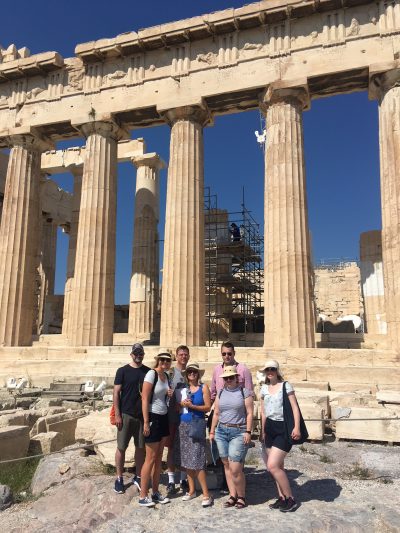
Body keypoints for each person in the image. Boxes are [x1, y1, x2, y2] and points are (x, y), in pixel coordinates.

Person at [210, 341, 254, 493]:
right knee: (222, 457)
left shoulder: (243, 370)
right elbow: (213, 391)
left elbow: (249, 393)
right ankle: (228, 486)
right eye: (224, 353)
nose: (227, 356)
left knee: (235, 460)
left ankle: (239, 487)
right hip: (220, 413)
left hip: (238, 420)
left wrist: (248, 429)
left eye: (229, 353)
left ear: (234, 353)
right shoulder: (216, 370)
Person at [260, 359, 301, 512]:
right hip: (270, 428)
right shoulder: (264, 388)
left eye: (272, 369)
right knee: (279, 466)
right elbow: (263, 412)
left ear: (277, 370)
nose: (270, 372)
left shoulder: (285, 385)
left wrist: (296, 427)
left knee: (272, 466)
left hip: (283, 427)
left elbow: (295, 407)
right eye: (267, 369)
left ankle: (291, 498)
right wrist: (262, 431)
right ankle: (282, 497)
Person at [113, 343, 150, 494]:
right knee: (121, 447)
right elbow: (116, 393)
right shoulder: (122, 371)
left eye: (140, 353)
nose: (138, 355)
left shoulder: (148, 371)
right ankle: (119, 478)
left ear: (143, 354)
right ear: (131, 354)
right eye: (136, 353)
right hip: (126, 414)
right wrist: (117, 414)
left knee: (140, 448)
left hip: (141, 416)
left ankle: (139, 476)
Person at [174, 362, 213, 507]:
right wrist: (181, 405)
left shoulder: (204, 388)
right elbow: (177, 408)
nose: (192, 374)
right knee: (186, 459)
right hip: (183, 425)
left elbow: (208, 407)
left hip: (196, 425)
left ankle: (206, 494)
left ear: (198, 374)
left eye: (194, 372)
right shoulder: (183, 389)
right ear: (186, 374)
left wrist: (193, 406)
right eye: (189, 372)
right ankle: (191, 490)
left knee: (197, 459)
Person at [139, 352, 173, 507]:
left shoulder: (166, 376)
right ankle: (143, 495)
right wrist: (146, 421)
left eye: (168, 360)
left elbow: (162, 397)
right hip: (152, 417)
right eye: (163, 360)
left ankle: (155, 492)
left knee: (159, 457)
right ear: (158, 360)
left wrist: (169, 394)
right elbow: (145, 398)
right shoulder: (150, 374)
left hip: (163, 416)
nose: (165, 362)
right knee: (150, 458)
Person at [166, 345, 190, 495]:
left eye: (186, 354)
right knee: (171, 447)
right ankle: (170, 480)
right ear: (176, 356)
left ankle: (183, 479)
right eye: (181, 354)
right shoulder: (171, 373)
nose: (183, 357)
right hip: (172, 414)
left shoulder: (191, 373)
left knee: (184, 447)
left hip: (187, 416)